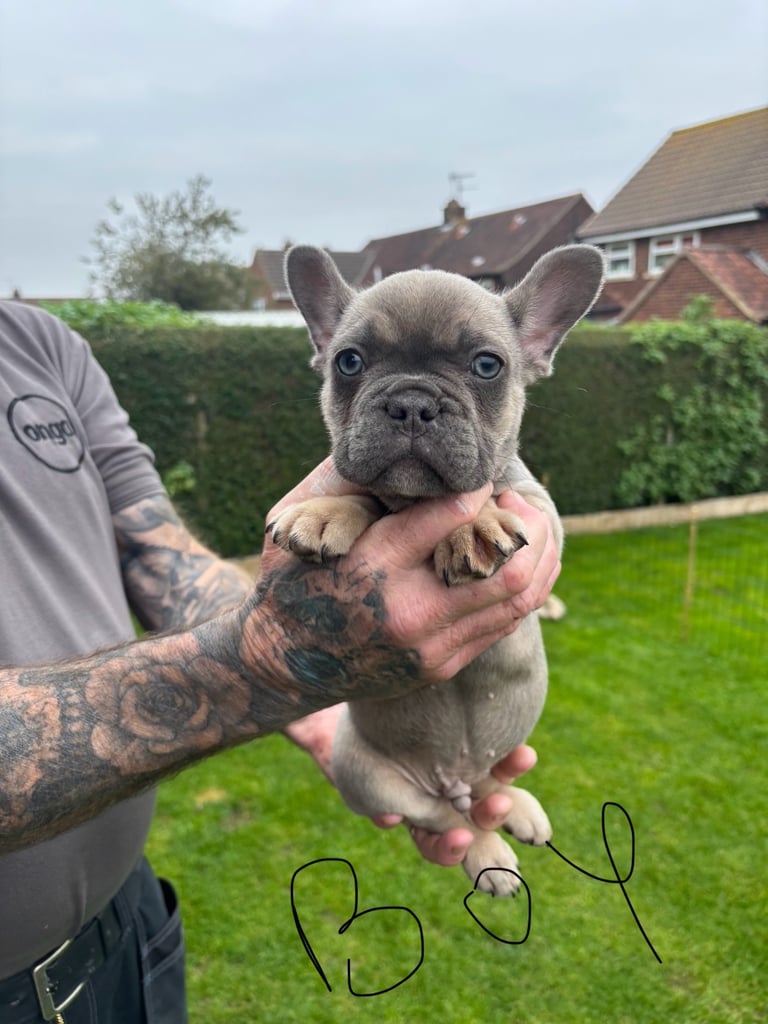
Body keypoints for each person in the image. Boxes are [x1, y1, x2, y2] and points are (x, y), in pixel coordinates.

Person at [0, 300, 560, 1023]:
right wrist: (268, 663)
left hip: (126, 937)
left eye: (483, 368)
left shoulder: (37, 340)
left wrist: (320, 701)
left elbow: (150, 546)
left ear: (534, 354)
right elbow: (271, 648)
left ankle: (480, 799)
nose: (415, 405)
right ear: (324, 351)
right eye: (354, 364)